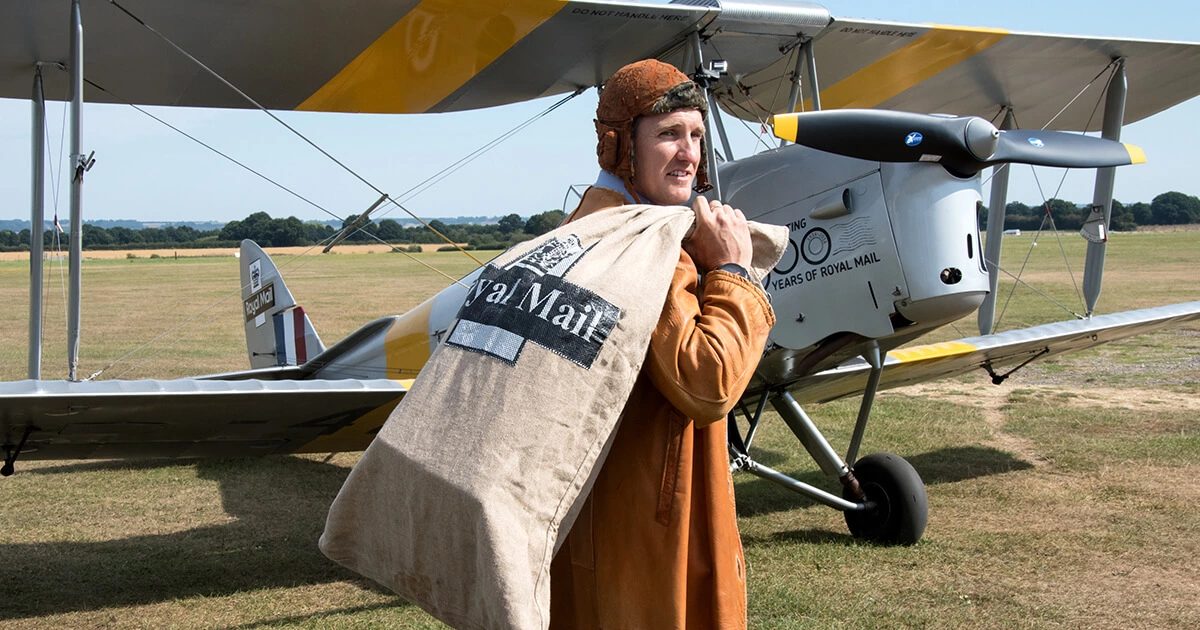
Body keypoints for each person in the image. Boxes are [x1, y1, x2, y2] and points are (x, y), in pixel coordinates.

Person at [549, 59, 776, 630]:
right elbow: (708, 383)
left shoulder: (583, 227)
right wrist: (733, 272)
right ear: (617, 146)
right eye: (669, 134)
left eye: (696, 135)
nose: (690, 153)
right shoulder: (642, 246)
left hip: (598, 517)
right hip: (655, 526)